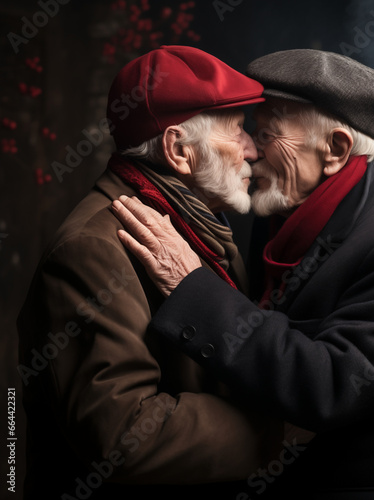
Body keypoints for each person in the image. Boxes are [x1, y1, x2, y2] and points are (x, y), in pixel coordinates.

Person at [113, 49, 374, 499]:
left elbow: (330, 387)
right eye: (249, 130)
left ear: (334, 149)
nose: (251, 151)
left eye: (267, 133)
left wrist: (189, 284)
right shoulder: (280, 213)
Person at [16, 45, 287, 500]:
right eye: (238, 130)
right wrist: (282, 428)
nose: (253, 149)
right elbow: (122, 436)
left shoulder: (203, 228)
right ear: (179, 151)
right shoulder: (93, 249)